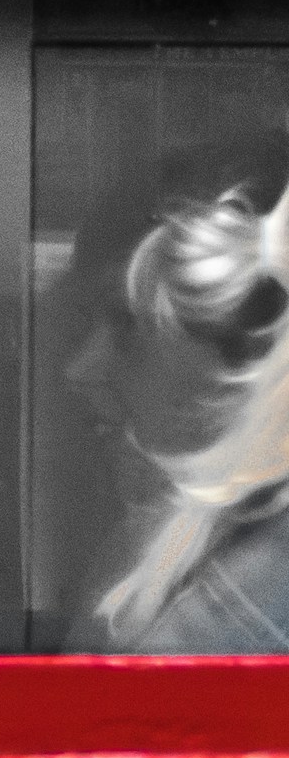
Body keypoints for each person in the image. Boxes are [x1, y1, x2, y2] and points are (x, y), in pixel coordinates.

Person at [93, 170, 289, 650]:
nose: (87, 366)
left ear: (241, 361)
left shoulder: (260, 583)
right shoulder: (207, 539)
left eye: (128, 331)